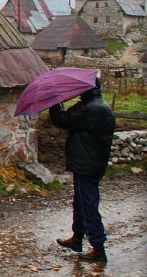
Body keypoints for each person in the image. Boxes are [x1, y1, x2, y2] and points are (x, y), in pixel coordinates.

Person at [49, 76, 115, 262]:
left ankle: (98, 248)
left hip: (86, 163)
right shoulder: (103, 107)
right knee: (81, 201)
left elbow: (62, 120)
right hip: (94, 163)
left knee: (87, 204)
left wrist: (55, 101)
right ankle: (77, 238)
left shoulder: (87, 108)